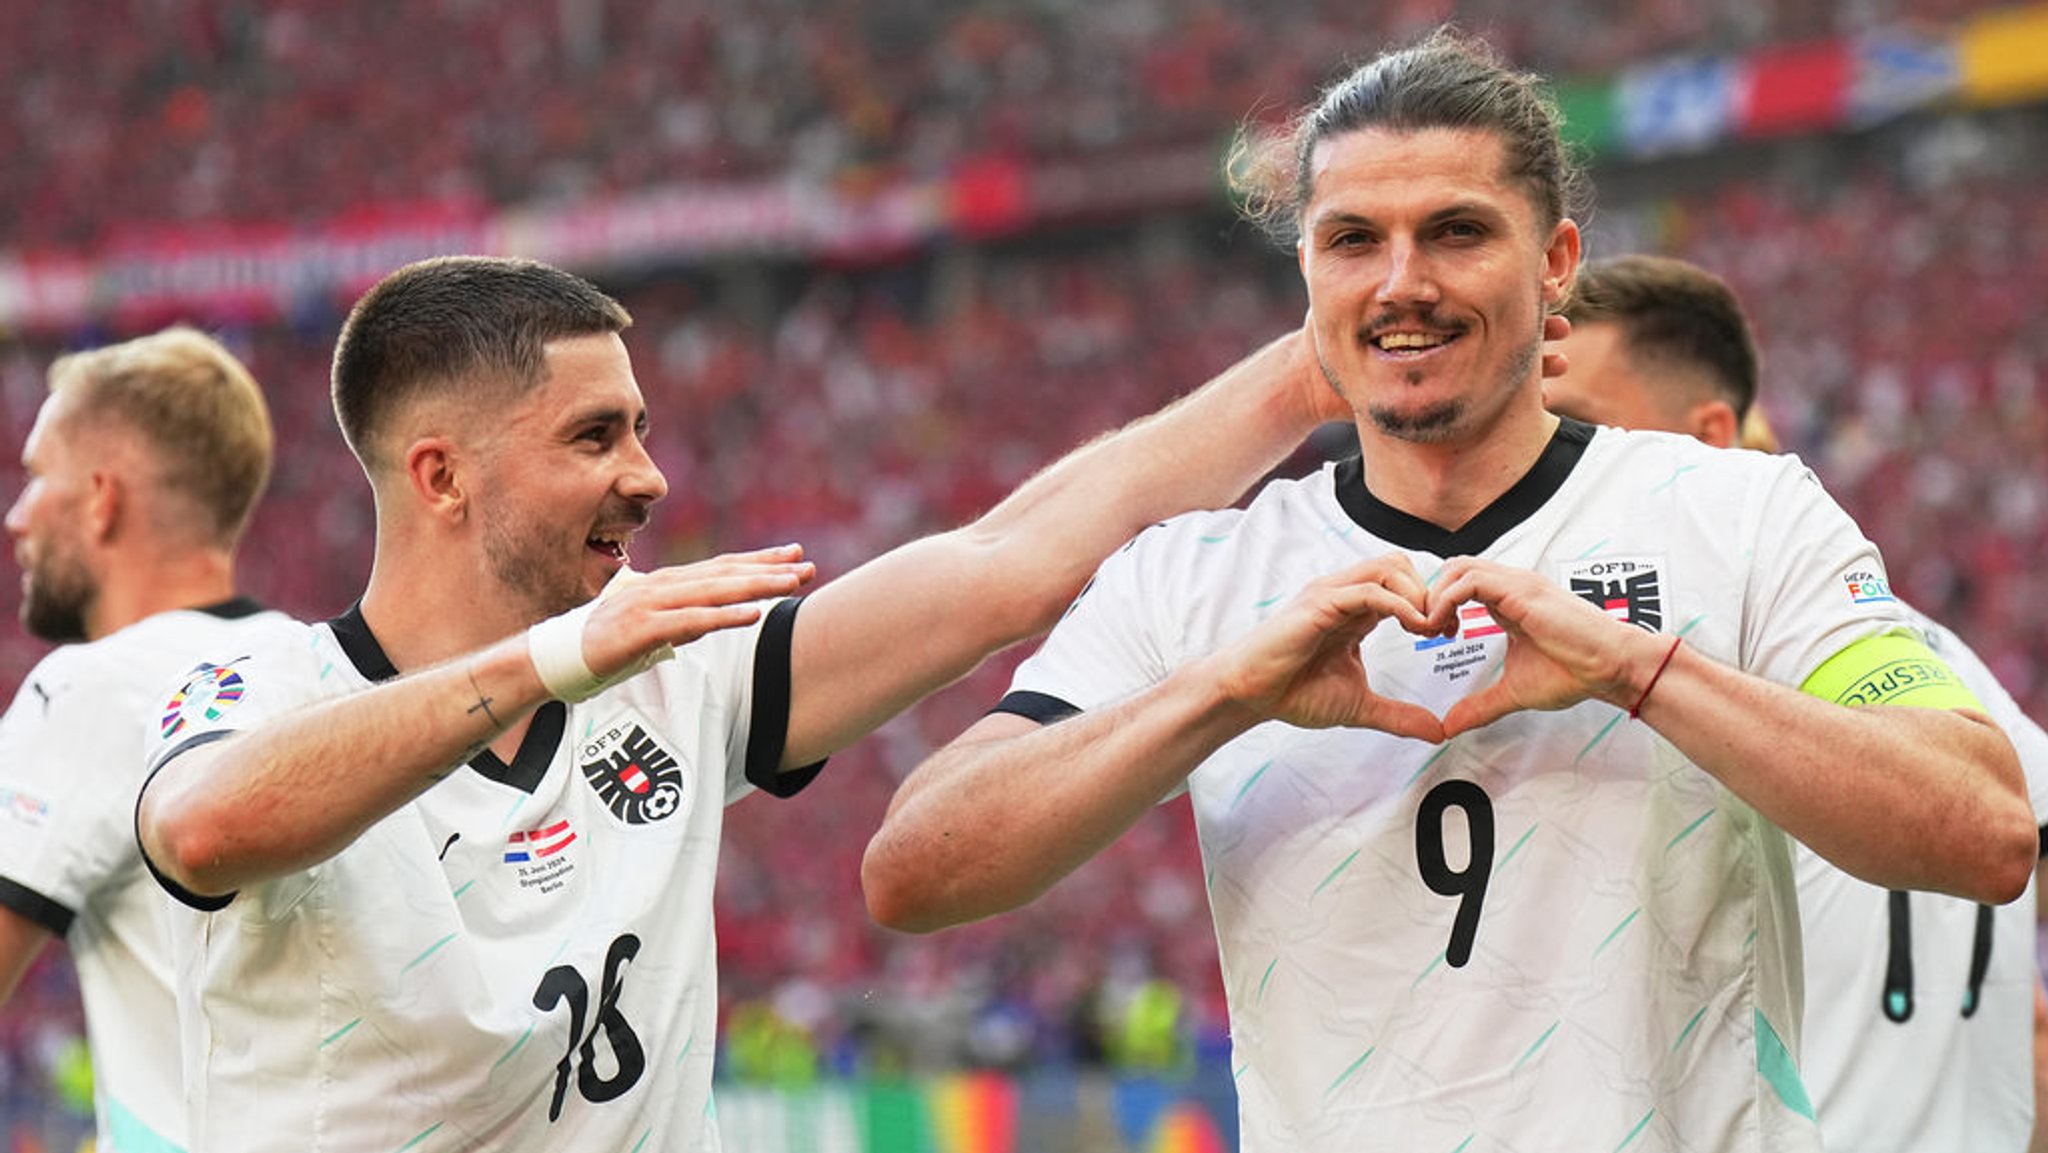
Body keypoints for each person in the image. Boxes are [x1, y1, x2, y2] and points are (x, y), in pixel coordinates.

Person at [859, 28, 2036, 1153]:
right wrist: (1223, 693)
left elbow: (1982, 830)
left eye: (1456, 232)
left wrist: (1639, 671)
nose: (1401, 282)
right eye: (1353, 240)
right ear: (1308, 273)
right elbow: (913, 868)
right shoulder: (1197, 575)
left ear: (1555, 264)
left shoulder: (1735, 513)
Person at [127, 252, 1379, 1152]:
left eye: (642, 428)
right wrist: (558, 657)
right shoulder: (258, 681)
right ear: (442, 477)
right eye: (594, 437)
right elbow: (205, 829)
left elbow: (1009, 565)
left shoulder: (675, 674)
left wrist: (1296, 384)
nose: (649, 475)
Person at [1544, 251, 2048, 1153]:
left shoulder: (1677, 700)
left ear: (1707, 438)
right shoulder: (1942, 665)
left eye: (1576, 429)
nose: (1546, 467)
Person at [0, 326, 293, 1153]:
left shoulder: (94, 687)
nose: (16, 517)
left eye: (35, 478)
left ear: (101, 497)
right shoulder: (319, 665)